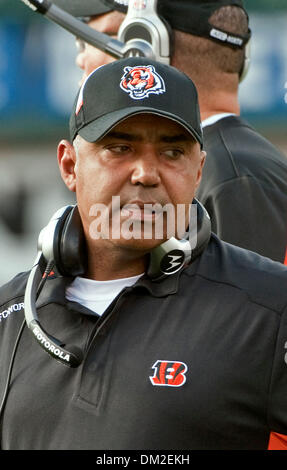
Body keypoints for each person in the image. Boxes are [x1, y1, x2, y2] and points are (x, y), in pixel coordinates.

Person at [1, 57, 287, 450]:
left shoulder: (272, 308)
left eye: (172, 153)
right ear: (70, 165)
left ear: (199, 170)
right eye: (120, 147)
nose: (146, 173)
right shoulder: (8, 316)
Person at [52, 0, 287, 263]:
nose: (80, 57)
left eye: (102, 37)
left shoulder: (235, 176)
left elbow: (250, 299)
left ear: (143, 46)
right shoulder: (234, 165)